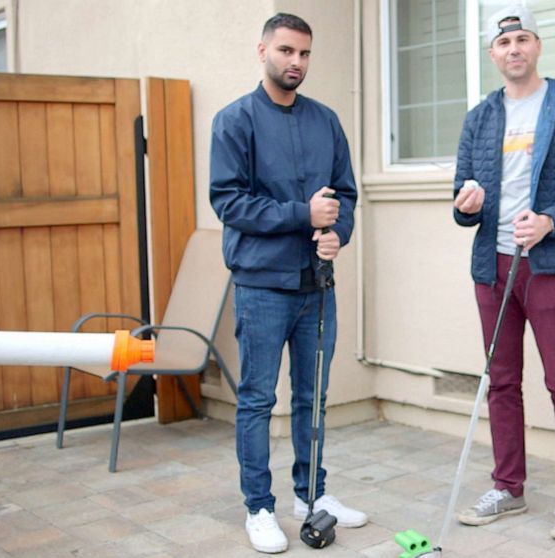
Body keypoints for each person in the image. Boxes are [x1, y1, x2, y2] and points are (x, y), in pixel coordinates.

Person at [451, 4, 555, 542]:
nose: (513, 49)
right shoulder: (481, 117)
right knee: (502, 381)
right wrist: (467, 204)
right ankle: (509, 488)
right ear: (492, 54)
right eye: (503, 43)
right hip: (492, 269)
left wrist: (548, 220)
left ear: (537, 46)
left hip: (549, 265)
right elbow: (461, 199)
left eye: (522, 39)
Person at [209, 12, 366, 554]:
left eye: (303, 53)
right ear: (263, 52)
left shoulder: (325, 121)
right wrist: (304, 216)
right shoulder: (235, 121)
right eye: (285, 51)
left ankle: (311, 497)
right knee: (256, 400)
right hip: (261, 286)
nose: (295, 62)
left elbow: (344, 195)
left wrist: (336, 234)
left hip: (317, 285)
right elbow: (229, 201)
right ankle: (258, 507)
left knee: (313, 397)